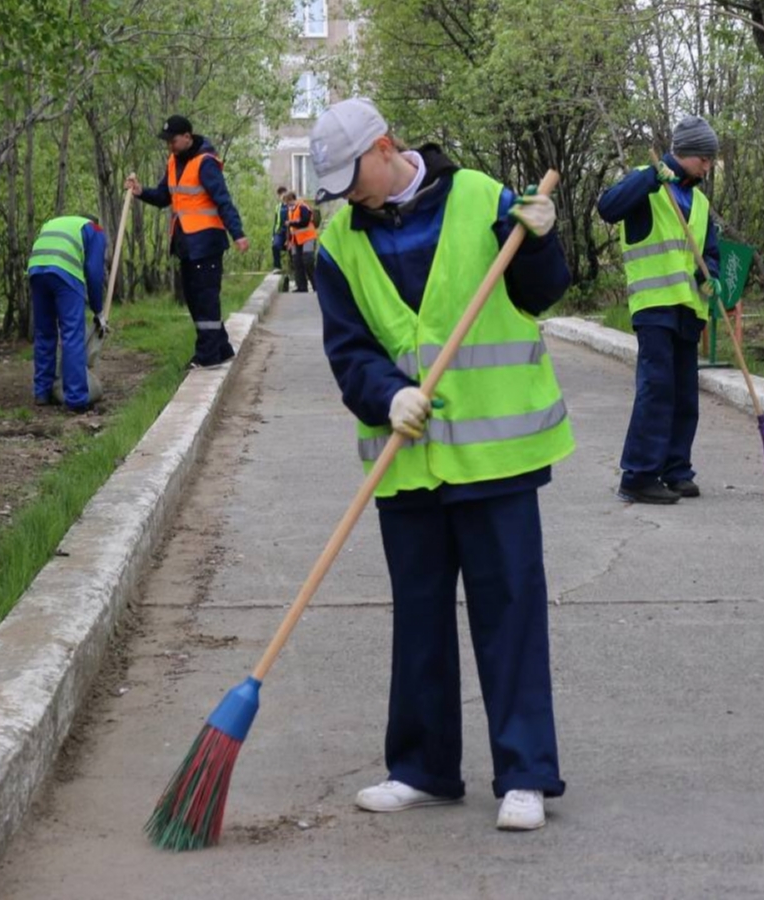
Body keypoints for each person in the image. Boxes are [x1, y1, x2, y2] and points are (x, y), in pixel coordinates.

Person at [311, 98, 573, 832]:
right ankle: (423, 769)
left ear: (385, 146)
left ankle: (524, 773)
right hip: (407, 458)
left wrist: (544, 242)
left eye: (349, 177)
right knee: (419, 620)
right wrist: (385, 395)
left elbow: (540, 291)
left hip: (497, 453)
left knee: (510, 610)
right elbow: (348, 350)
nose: (345, 195)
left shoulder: (481, 198)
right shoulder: (338, 244)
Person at [596, 115, 725, 504]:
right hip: (653, 306)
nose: (707, 166)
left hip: (689, 309)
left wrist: (712, 276)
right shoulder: (646, 181)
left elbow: (710, 253)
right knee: (657, 389)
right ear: (686, 153)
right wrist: (651, 177)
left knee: (685, 394)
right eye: (704, 157)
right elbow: (608, 208)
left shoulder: (700, 202)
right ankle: (638, 475)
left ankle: (676, 470)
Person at [125, 115, 250, 370]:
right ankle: (221, 348)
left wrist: (237, 233)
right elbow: (163, 197)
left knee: (205, 299)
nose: (170, 145)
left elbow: (222, 200)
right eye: (167, 141)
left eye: (173, 140)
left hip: (206, 243)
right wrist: (141, 192)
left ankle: (207, 356)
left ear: (187, 137)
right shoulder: (173, 162)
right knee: (194, 298)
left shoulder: (205, 163)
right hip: (185, 244)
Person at [27, 214, 107, 412]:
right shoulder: (95, 230)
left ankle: (42, 393)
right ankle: (77, 399)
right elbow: (95, 272)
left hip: (36, 269)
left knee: (44, 332)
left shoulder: (53, 223)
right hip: (65, 270)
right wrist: (98, 309)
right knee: (72, 333)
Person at [283, 190, 318, 292]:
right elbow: (289, 228)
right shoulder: (290, 211)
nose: (287, 205)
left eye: (287, 202)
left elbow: (305, 221)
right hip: (295, 240)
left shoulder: (302, 206)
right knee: (297, 262)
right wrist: (288, 240)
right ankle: (302, 287)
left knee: (308, 260)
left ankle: (316, 285)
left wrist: (291, 223)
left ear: (292, 199)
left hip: (308, 237)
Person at [271, 185, 289, 274]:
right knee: (275, 246)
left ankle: (294, 270)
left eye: (283, 193)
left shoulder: (291, 205)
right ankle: (277, 267)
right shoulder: (278, 207)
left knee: (292, 250)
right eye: (280, 194)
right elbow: (275, 222)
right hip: (280, 231)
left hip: (290, 231)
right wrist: (273, 235)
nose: (282, 195)